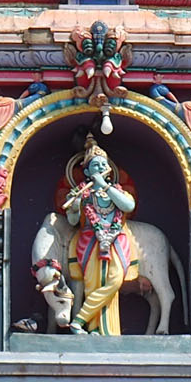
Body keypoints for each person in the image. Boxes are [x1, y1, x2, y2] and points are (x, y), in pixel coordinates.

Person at [60, 140, 140, 336]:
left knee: (115, 280)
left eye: (104, 164)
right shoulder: (83, 194)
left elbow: (128, 206)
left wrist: (105, 185)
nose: (101, 168)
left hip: (116, 240)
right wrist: (75, 205)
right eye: (96, 165)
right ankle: (94, 328)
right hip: (90, 241)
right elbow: (72, 221)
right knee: (93, 285)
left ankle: (79, 320)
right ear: (87, 172)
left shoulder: (118, 191)